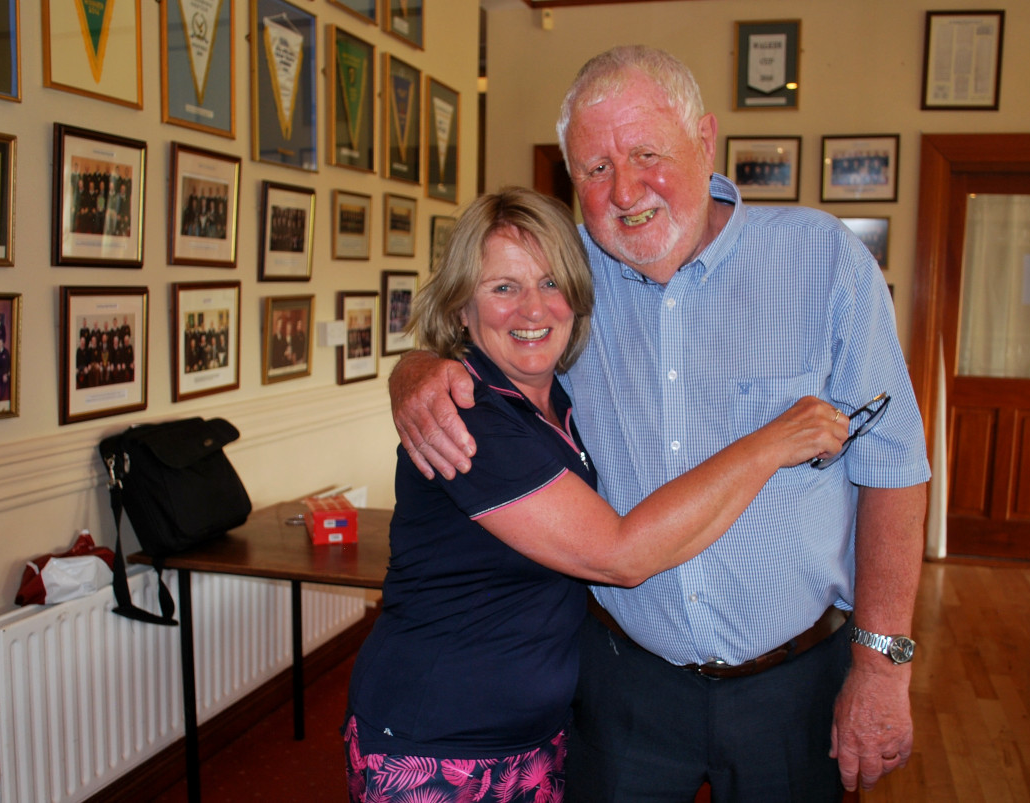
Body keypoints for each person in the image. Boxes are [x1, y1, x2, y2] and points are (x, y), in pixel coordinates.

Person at [389, 46, 930, 800]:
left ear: (705, 140)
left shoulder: (823, 261)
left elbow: (893, 469)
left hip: (793, 685)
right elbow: (479, 324)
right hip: (623, 688)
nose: (625, 190)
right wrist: (414, 369)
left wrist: (881, 665)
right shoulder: (566, 279)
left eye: (647, 154)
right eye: (596, 168)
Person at [345, 187, 847, 803]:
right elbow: (619, 555)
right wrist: (772, 443)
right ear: (460, 309)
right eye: (503, 287)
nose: (533, 308)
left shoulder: (557, 399)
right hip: (437, 743)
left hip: (533, 737)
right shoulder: (469, 415)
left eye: (551, 282)